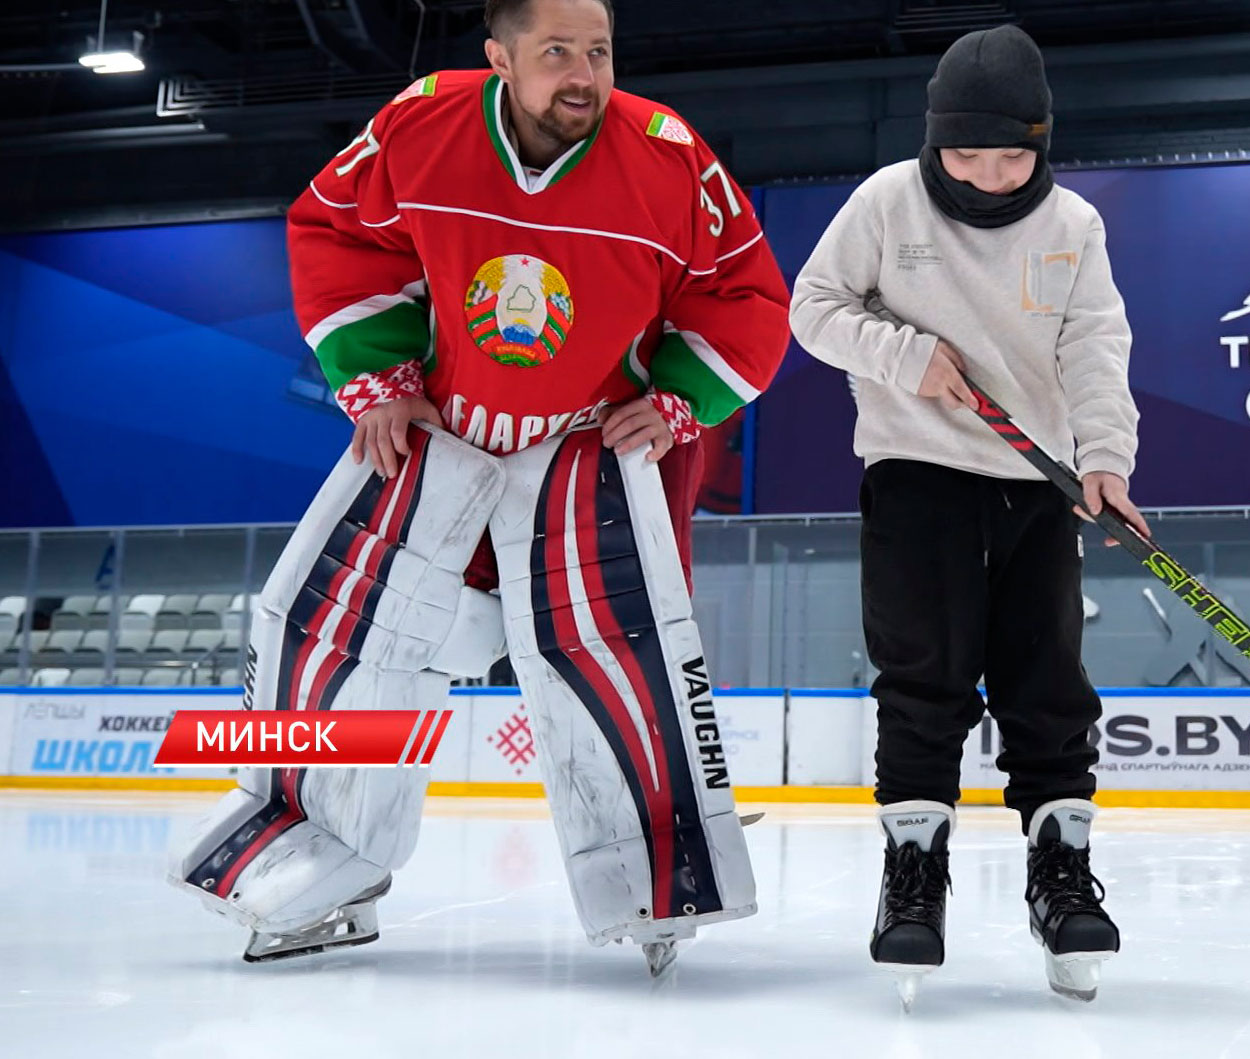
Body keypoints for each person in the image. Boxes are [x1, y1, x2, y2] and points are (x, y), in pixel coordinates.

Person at [167, 0, 790, 976]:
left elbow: (743, 290)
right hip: (446, 445)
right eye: (557, 53)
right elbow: (339, 235)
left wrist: (678, 403)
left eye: (599, 52)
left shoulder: (667, 155)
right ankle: (324, 855)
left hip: (591, 456)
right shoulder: (422, 121)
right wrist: (375, 379)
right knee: (355, 643)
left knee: (615, 665)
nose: (583, 73)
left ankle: (655, 871)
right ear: (500, 57)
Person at [788, 23, 1143, 1004]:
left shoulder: (1071, 225)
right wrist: (906, 357)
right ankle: (913, 882)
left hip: (1039, 484)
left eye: (1012, 154)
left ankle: (1059, 877)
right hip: (917, 469)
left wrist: (1104, 462)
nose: (989, 176)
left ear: (1041, 144)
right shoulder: (884, 204)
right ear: (933, 140)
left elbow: (1093, 349)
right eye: (966, 153)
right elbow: (811, 309)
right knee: (924, 677)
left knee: (1046, 682)